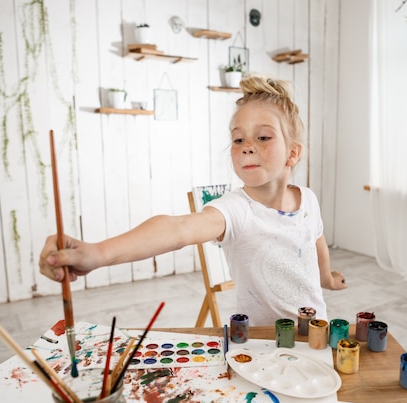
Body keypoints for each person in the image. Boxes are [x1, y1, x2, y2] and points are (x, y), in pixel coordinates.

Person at [39, 75, 347, 326]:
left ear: (293, 152)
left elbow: (315, 242)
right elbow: (177, 229)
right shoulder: (236, 210)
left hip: (314, 335)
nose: (246, 146)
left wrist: (326, 278)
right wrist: (98, 253)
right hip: (260, 347)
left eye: (263, 137)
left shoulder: (307, 199)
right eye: (238, 139)